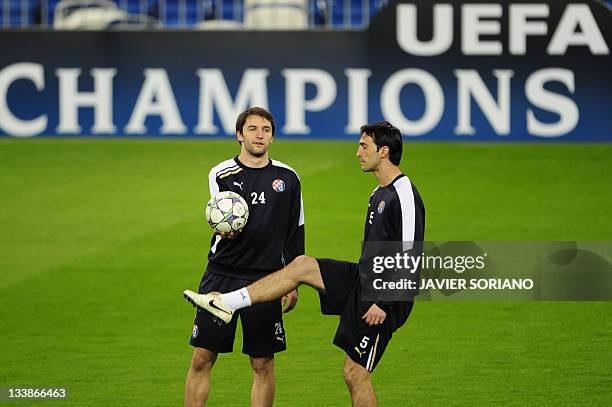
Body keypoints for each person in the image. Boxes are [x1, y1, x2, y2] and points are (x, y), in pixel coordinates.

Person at [185, 121, 425, 407]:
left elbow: (411, 254)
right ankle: (228, 302)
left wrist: (384, 302)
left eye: (363, 146)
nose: (358, 152)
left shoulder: (404, 193)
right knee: (302, 266)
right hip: (365, 281)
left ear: (383, 151)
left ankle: (229, 301)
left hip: (385, 295)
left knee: (354, 373)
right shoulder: (379, 194)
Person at [184, 107, 304, 407]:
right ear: (239, 135)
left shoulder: (288, 178)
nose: (259, 134)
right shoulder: (222, 173)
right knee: (202, 358)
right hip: (222, 274)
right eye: (252, 129)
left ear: (273, 137)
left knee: (262, 363)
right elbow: (220, 214)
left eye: (265, 129)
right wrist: (225, 229)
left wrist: (292, 279)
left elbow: (295, 229)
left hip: (266, 280)